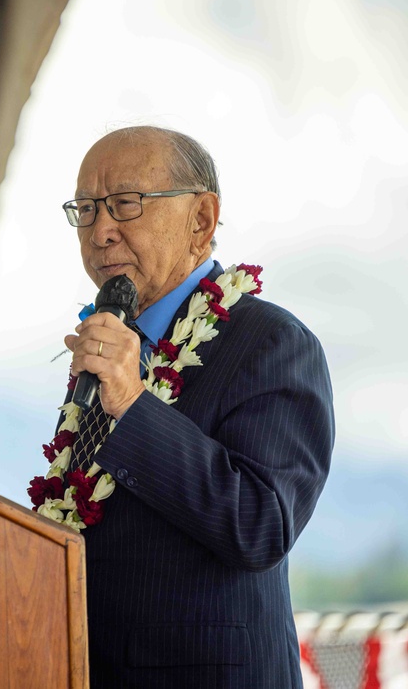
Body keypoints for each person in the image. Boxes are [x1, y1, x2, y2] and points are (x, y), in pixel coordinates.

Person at [60, 126, 334, 687]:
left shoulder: (273, 343)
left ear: (202, 221)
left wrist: (132, 404)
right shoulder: (110, 345)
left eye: (125, 203)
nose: (101, 231)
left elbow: (260, 526)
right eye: (86, 209)